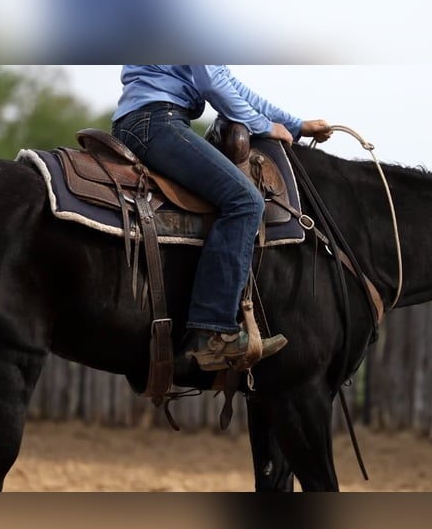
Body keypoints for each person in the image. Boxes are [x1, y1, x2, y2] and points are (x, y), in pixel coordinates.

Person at [111, 65, 332, 372]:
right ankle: (213, 331)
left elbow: (227, 81)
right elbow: (212, 83)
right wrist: (263, 125)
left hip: (144, 118)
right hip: (160, 121)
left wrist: (292, 124)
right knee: (245, 201)